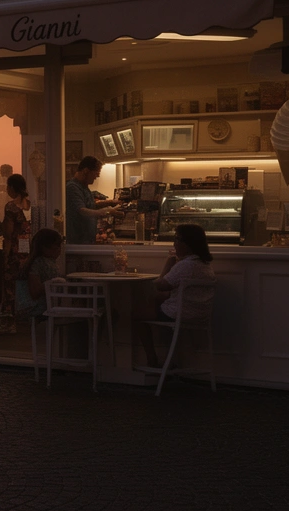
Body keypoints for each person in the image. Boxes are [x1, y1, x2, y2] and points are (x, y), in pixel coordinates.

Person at [136, 224, 217, 368]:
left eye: (177, 239)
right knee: (155, 300)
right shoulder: (206, 265)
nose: (175, 243)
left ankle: (152, 360)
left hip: (178, 313)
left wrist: (169, 262)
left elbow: (161, 285)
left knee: (136, 315)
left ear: (188, 244)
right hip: (200, 314)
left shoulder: (185, 265)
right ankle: (170, 359)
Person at [0, 173, 32, 334]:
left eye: (7, 187)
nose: (6, 190)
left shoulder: (11, 207)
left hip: (15, 251)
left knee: (9, 286)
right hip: (28, 251)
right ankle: (24, 319)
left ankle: (9, 322)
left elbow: (9, 234)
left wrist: (5, 255)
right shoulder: (30, 205)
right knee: (24, 285)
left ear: (12, 187)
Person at [65, 156, 118, 245]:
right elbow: (82, 211)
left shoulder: (84, 187)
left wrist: (111, 202)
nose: (97, 176)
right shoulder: (72, 187)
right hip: (78, 241)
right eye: (96, 173)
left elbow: (91, 205)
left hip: (87, 239)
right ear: (86, 171)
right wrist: (107, 211)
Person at [15, 227, 64, 322]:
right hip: (33, 308)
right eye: (56, 246)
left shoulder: (44, 262)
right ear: (45, 248)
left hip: (35, 306)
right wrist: (53, 282)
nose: (59, 249)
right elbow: (35, 291)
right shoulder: (38, 263)